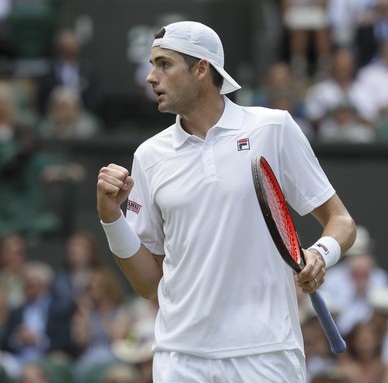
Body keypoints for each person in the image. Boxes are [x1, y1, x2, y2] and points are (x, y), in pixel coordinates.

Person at [96, 21, 356, 382]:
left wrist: (319, 255)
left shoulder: (273, 128)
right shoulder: (149, 156)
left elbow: (341, 221)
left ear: (201, 69)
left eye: (164, 64)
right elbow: (146, 284)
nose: (150, 77)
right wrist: (111, 217)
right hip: (179, 357)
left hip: (267, 352)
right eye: (152, 65)